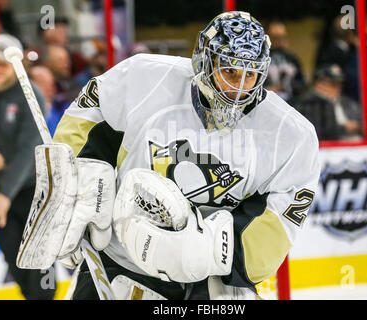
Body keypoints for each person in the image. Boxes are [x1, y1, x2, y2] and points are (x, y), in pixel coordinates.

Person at [20, 11, 320, 300]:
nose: (238, 88)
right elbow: (88, 114)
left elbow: (276, 225)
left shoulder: (292, 136)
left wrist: (209, 253)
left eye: (250, 75)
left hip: (210, 280)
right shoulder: (144, 77)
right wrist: (78, 178)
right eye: (229, 70)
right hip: (120, 259)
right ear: (205, 59)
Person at [0, 34, 55, 299]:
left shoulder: (31, 95)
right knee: (15, 259)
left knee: (40, 261)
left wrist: (4, 196)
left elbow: (27, 151)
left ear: (17, 64)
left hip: (31, 189)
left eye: (4, 63)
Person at [294, 64, 363, 141]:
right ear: (319, 84)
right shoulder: (308, 104)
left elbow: (362, 121)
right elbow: (317, 132)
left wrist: (359, 126)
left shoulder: (347, 102)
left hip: (356, 144)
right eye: (333, 84)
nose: (338, 88)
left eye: (340, 84)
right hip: (329, 148)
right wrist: (344, 128)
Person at [264, 19, 306, 103]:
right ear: (267, 37)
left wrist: (286, 86)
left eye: (283, 37)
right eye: (275, 37)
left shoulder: (291, 58)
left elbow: (302, 83)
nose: (280, 41)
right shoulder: (260, 59)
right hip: (266, 103)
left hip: (291, 104)